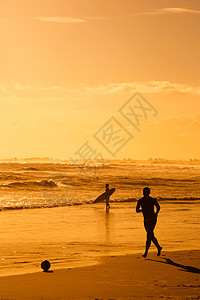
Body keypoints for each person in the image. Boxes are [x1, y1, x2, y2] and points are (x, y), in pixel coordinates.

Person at [136, 187, 162, 258]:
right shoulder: (146, 200)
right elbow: (137, 210)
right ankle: (159, 247)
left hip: (152, 219)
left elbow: (137, 210)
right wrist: (156, 213)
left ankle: (146, 252)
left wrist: (155, 213)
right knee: (151, 235)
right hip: (146, 220)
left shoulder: (142, 200)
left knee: (148, 235)